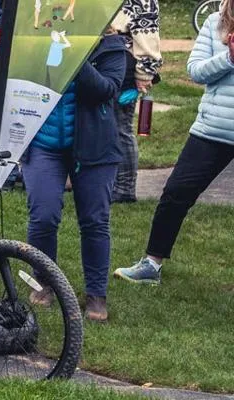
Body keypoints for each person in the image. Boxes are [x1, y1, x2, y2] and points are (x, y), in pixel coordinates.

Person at [114, 5, 234, 286]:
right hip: (214, 128)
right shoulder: (215, 22)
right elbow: (195, 71)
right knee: (176, 193)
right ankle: (151, 265)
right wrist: (228, 58)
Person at [20, 30, 129, 322]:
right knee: (43, 215)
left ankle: (96, 294)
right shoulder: (35, 38)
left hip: (95, 149)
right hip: (43, 144)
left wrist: (73, 54)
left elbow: (105, 90)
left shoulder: (111, 47)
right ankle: (43, 281)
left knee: (94, 220)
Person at [111, 0, 163, 203]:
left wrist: (145, 72)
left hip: (123, 63)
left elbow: (147, 30)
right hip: (103, 59)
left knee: (120, 127)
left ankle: (125, 187)